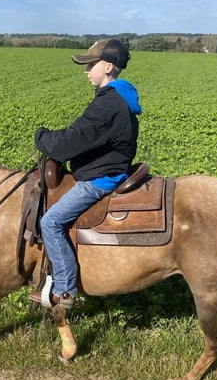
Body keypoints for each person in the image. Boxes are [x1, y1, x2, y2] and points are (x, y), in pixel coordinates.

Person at [30, 38, 142, 308]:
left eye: (90, 64)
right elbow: (85, 136)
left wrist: (42, 137)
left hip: (101, 179)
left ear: (108, 67)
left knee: (50, 222)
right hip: (106, 169)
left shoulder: (108, 105)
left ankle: (65, 290)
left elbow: (74, 139)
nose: (86, 70)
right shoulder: (116, 97)